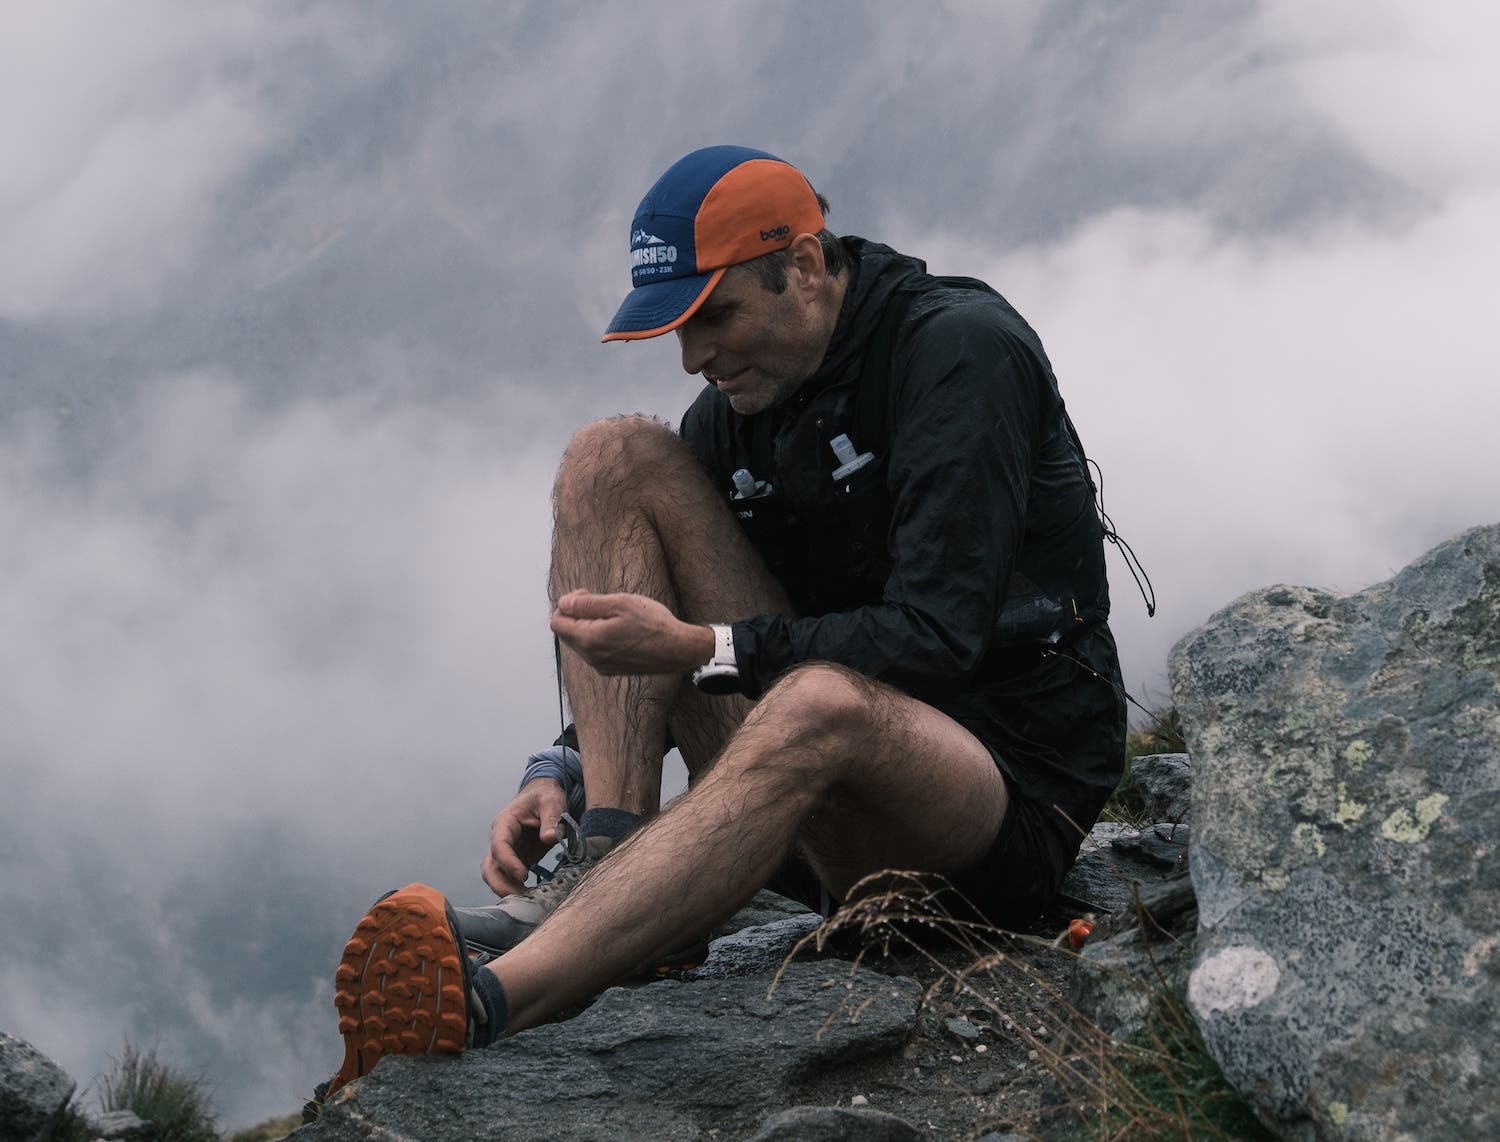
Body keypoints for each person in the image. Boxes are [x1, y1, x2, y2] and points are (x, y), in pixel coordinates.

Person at [318, 145, 1126, 1099]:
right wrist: (565, 765)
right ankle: (612, 862)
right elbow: (672, 622)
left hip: (1000, 808)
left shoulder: (958, 351)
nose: (696, 357)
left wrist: (709, 650)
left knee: (818, 700)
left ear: (810, 266)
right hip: (826, 786)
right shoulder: (742, 405)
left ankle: (499, 1003)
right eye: (681, 329)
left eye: (719, 316)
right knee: (611, 456)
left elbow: (935, 639)